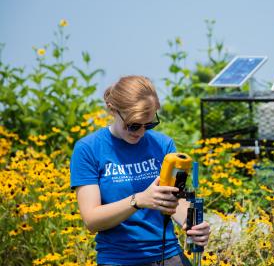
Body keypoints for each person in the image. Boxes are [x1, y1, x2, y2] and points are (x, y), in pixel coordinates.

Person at [70, 75, 210, 266]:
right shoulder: (89, 149)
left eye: (149, 124)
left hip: (168, 254)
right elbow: (92, 220)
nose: (141, 132)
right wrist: (138, 201)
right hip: (119, 258)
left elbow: (176, 201)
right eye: (133, 125)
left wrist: (192, 224)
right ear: (113, 110)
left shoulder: (163, 145)